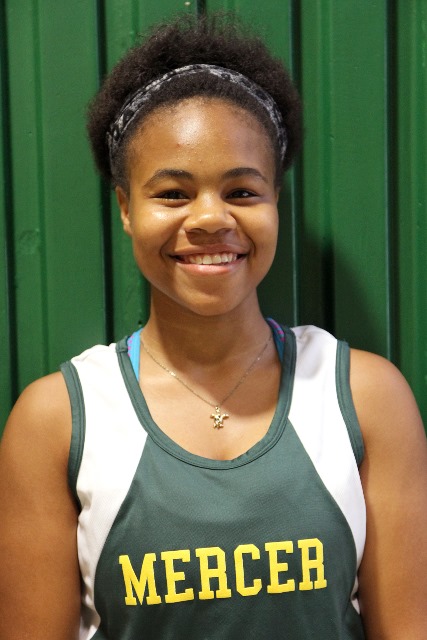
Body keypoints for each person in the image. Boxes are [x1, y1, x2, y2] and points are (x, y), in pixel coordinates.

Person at [0, 13, 426, 640]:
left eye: (242, 192)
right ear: (125, 207)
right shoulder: (55, 421)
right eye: (172, 193)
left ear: (275, 200)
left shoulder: (366, 397)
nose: (209, 219)